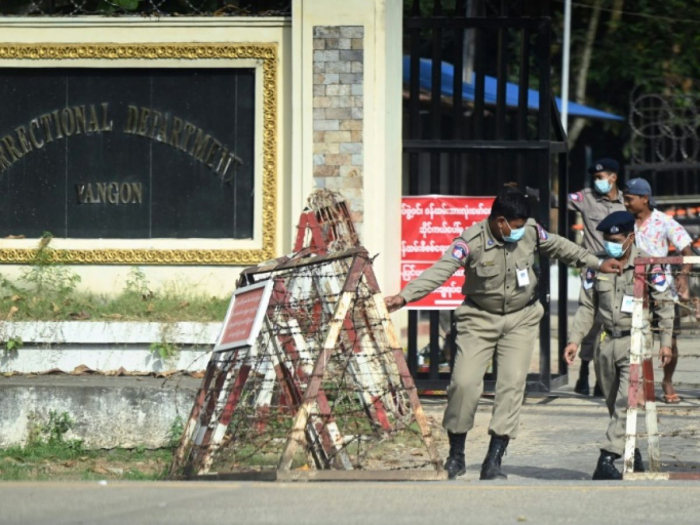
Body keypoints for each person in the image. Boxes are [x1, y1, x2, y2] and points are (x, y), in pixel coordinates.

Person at [385, 189, 623, 480]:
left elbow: (563, 247)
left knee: (511, 386)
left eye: (524, 223)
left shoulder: (531, 232)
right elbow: (440, 270)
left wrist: (597, 263)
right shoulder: (470, 241)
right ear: (500, 222)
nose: (521, 229)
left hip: (521, 319)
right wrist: (405, 296)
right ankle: (456, 455)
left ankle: (493, 459)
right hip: (478, 318)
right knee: (463, 383)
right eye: (517, 224)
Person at [564, 211, 674, 480]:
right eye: (607, 239)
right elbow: (587, 307)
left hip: (636, 341)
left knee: (627, 402)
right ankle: (631, 453)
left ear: (630, 238)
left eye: (616, 239)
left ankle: (605, 459)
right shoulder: (596, 266)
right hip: (606, 343)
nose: (610, 244)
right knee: (615, 404)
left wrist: (666, 342)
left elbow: (664, 303)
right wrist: (575, 340)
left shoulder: (648, 264)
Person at [623, 178, 693, 404]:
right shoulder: (625, 222)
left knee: (669, 339)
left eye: (630, 199)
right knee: (639, 337)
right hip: (633, 289)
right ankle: (643, 384)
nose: (625, 203)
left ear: (645, 198)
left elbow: (687, 251)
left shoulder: (664, 222)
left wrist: (682, 275)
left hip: (663, 289)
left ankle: (667, 380)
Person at [568, 158, 626, 397]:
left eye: (601, 177)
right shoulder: (586, 198)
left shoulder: (627, 201)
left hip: (621, 269)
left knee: (612, 320)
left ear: (613, 178)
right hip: (594, 266)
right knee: (591, 321)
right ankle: (583, 372)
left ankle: (604, 379)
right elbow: (560, 202)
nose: (597, 182)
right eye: (595, 178)